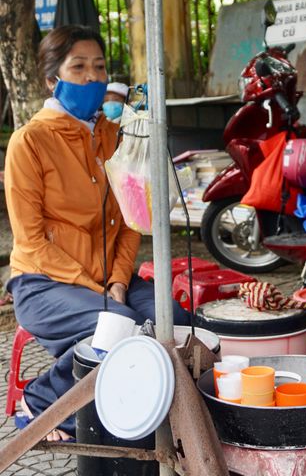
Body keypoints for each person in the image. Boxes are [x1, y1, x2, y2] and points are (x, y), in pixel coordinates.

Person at [4, 25, 191, 441]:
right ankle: (43, 402)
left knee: (175, 322)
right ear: (53, 79)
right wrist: (101, 289)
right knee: (118, 327)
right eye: (79, 67)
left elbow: (130, 221)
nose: (93, 77)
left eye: (100, 67)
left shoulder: (113, 136)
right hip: (43, 282)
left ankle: (147, 415)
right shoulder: (29, 142)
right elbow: (32, 241)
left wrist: (120, 280)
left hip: (110, 280)